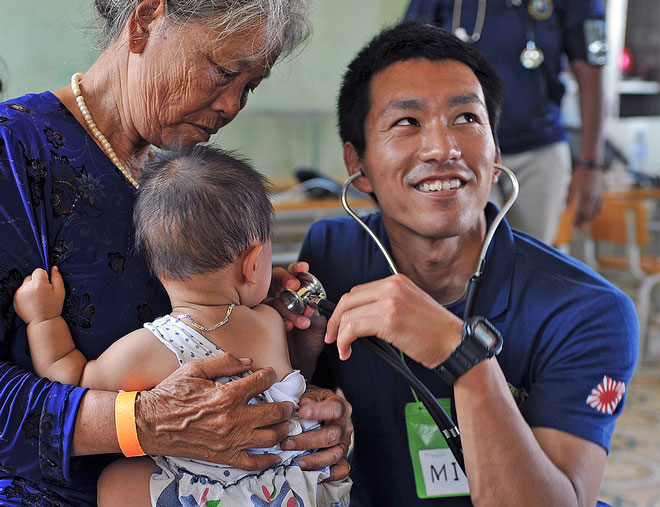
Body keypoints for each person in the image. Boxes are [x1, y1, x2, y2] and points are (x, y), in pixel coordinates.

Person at [0, 1, 351, 505]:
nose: (232, 105)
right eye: (225, 72)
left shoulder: (187, 187)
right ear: (145, 20)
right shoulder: (14, 153)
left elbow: (221, 397)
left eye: (249, 87)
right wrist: (140, 422)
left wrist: (299, 412)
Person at [273, 21, 638, 506]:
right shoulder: (333, 254)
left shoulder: (586, 311)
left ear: (495, 150)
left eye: (466, 118)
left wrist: (461, 355)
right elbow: (301, 402)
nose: (443, 149)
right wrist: (294, 352)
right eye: (407, 123)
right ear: (356, 165)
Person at [13, 145, 353, 506]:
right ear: (254, 264)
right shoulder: (269, 321)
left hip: (215, 497)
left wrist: (42, 318)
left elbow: (70, 381)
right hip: (295, 488)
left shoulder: (149, 348)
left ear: (156, 268)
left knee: (115, 481)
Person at [404, 0, 607, 243]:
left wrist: (591, 163)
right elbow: (409, 60)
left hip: (540, 150)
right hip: (462, 151)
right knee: (473, 256)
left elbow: (591, 70)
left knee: (535, 260)